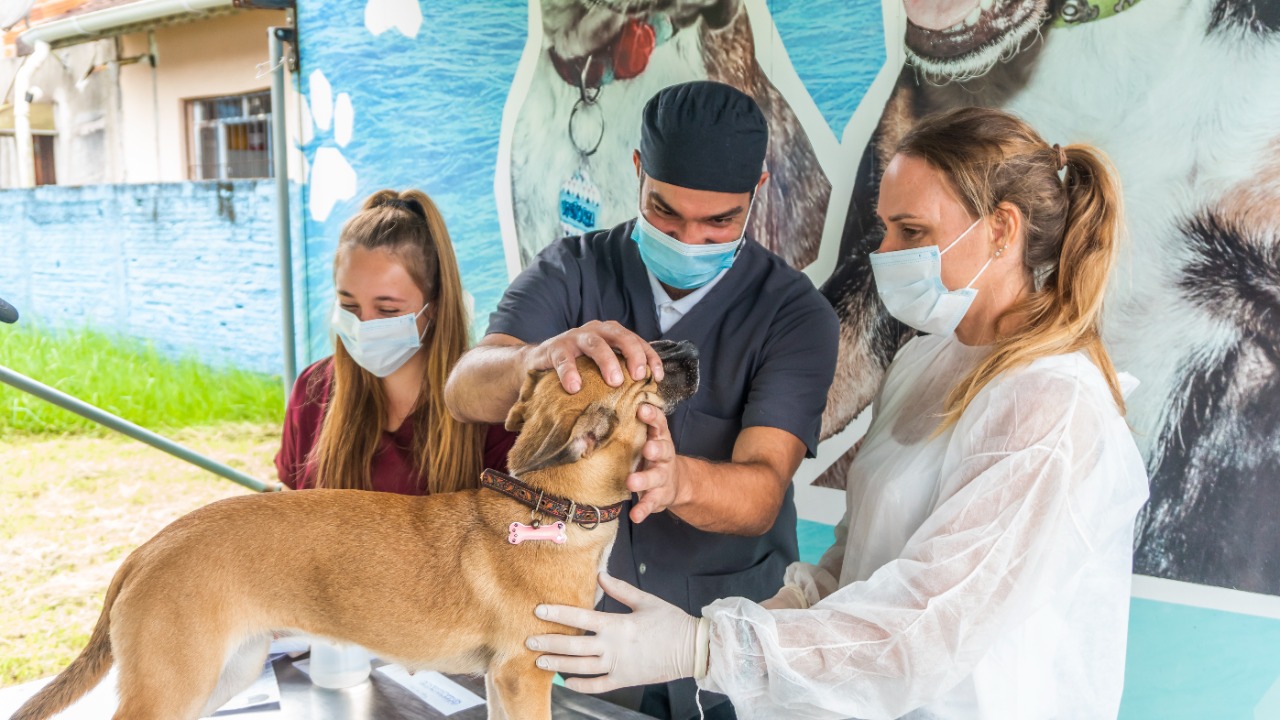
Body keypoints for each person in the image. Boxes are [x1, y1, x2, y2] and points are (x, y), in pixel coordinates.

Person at [525, 106, 1151, 720]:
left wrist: (704, 648)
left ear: (1002, 230)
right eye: (884, 228)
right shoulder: (925, 364)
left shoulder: (1051, 408)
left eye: (912, 232)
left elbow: (924, 631)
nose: (885, 253)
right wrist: (751, 622)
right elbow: (858, 566)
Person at [444, 81, 839, 720]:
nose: (690, 238)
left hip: (723, 640)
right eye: (665, 211)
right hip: (578, 626)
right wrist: (531, 359)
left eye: (719, 221)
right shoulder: (572, 271)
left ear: (757, 190)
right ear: (637, 171)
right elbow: (464, 387)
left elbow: (763, 491)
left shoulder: (794, 315)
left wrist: (679, 480)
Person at [276, 189, 513, 493]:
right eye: (348, 306)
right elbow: (287, 516)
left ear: (436, 305)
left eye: (388, 310)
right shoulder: (312, 391)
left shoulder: (490, 413)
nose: (363, 325)